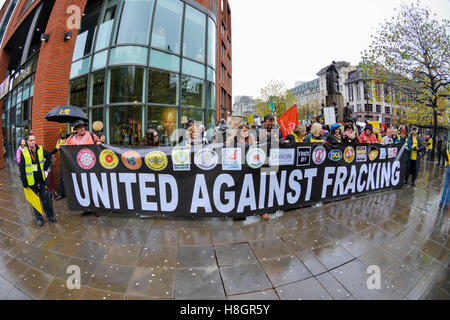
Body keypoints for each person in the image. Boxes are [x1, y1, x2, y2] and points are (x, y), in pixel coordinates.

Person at [61, 120, 100, 216]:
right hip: (78, 168)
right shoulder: (71, 138)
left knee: (92, 187)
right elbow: (65, 148)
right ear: (76, 129)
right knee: (82, 187)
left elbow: (99, 142)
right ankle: (86, 208)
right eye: (80, 127)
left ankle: (95, 208)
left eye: (83, 126)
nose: (82, 128)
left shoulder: (91, 135)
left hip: (91, 166)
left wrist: (99, 142)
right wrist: (60, 147)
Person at [19, 133, 58, 226]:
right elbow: (22, 169)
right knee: (35, 202)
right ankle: (39, 219)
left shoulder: (40, 149)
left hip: (41, 180)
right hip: (31, 182)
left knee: (45, 200)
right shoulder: (24, 153)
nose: (33, 142)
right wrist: (25, 183)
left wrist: (45, 166)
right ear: (27, 142)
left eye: (34, 140)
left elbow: (48, 155)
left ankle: (50, 216)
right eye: (31, 140)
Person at [55, 128, 69, 200]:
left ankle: (70, 194)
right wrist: (58, 148)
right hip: (62, 161)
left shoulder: (68, 139)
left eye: (65, 132)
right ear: (60, 133)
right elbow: (56, 148)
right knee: (61, 177)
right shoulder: (59, 140)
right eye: (62, 132)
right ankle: (61, 193)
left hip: (69, 162)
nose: (64, 133)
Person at [439, 141, 450, 210]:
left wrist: (447, 161)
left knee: (446, 185)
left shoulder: (448, 144)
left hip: (448, 166)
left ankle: (441, 203)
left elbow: (444, 151)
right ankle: (446, 204)